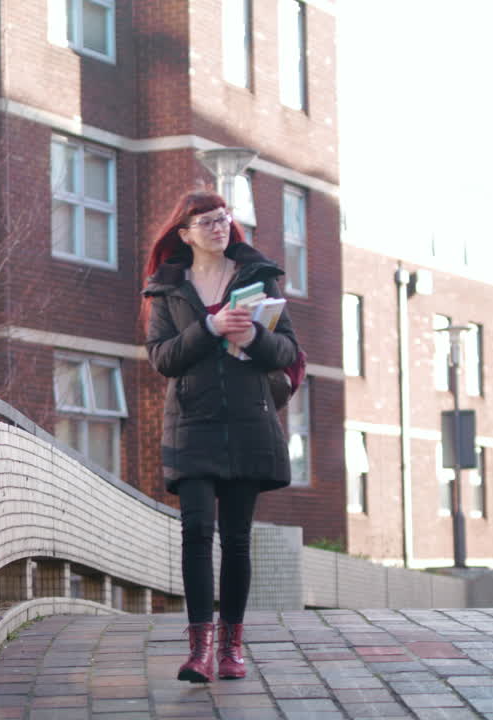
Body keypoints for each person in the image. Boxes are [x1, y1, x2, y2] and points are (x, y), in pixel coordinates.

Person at [141, 189, 300, 683]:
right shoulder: (167, 289)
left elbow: (289, 350)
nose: (218, 226)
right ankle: (198, 651)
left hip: (249, 422)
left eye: (223, 218)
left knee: (235, 539)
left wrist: (254, 337)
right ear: (185, 234)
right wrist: (209, 326)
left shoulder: (259, 276)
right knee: (194, 534)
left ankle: (232, 648)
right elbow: (163, 358)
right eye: (207, 221)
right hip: (192, 424)